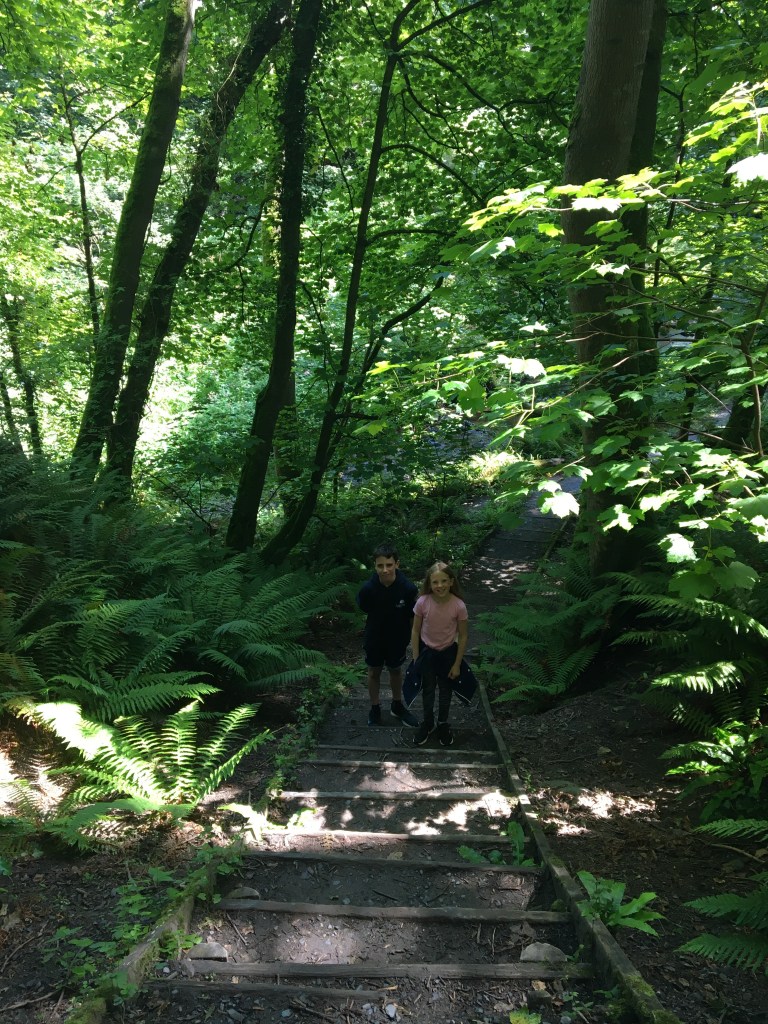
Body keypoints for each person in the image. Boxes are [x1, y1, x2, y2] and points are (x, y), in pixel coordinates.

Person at [356, 543, 420, 727]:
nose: (385, 570)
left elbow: (413, 616)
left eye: (389, 565)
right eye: (380, 565)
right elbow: (364, 607)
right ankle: (375, 708)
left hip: (398, 638)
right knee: (374, 671)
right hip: (374, 637)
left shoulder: (407, 589)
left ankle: (397, 705)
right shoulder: (368, 589)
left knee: (395, 670)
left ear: (397, 564)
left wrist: (414, 641)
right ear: (375, 566)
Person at [410, 561, 468, 747]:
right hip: (427, 653)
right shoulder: (422, 602)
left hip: (448, 654)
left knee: (445, 691)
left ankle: (443, 723)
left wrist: (457, 664)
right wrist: (416, 657)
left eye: (444, 581)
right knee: (427, 690)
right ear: (429, 583)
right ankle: (428, 723)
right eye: (435, 582)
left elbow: (464, 635)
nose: (439, 586)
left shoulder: (458, 606)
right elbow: (415, 631)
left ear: (451, 581)